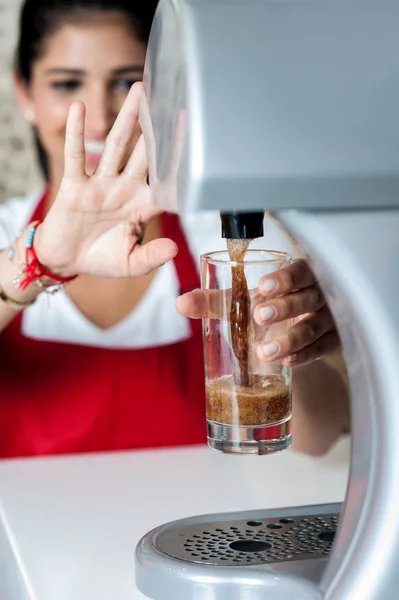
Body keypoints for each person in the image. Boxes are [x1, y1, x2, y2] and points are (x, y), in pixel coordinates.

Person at [0, 0, 349, 460]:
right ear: (24, 92)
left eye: (128, 82)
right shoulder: (7, 228)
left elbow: (317, 439)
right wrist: (40, 260)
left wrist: (279, 348)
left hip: (187, 530)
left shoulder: (224, 241)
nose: (102, 118)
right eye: (67, 83)